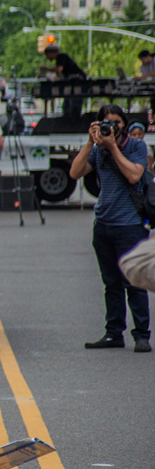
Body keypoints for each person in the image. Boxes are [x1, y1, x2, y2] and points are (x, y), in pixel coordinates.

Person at [70, 103, 151, 352]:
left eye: (116, 121)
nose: (111, 126)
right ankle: (113, 333)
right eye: (106, 121)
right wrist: (89, 143)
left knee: (134, 281)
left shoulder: (136, 146)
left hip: (130, 225)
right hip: (103, 225)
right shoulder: (98, 149)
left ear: (124, 123)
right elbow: (74, 173)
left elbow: (135, 176)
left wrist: (113, 147)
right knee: (111, 283)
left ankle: (141, 335)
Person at [40, 43, 87, 119]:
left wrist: (46, 68)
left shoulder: (61, 57)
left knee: (74, 101)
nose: (46, 57)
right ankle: (68, 117)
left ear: (52, 53)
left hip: (77, 81)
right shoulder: (60, 59)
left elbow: (59, 69)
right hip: (72, 83)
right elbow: (58, 75)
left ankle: (74, 118)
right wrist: (44, 76)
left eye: (47, 54)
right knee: (68, 101)